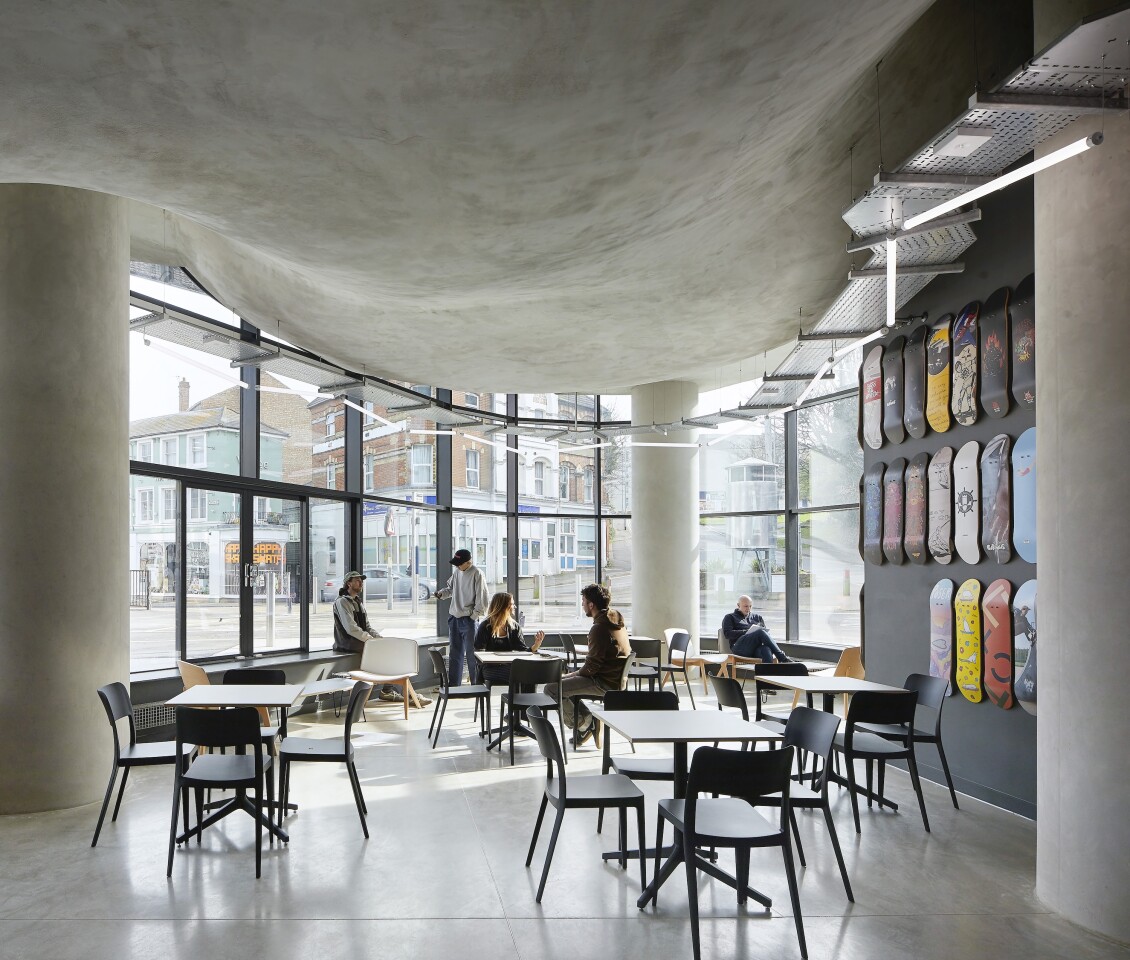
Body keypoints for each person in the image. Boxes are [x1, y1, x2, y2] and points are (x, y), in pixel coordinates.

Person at [545, 583, 631, 745]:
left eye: (584, 601)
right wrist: (574, 674)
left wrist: (572, 674)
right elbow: (595, 663)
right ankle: (587, 723)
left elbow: (591, 668)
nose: (583, 604)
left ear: (591, 605)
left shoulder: (599, 628)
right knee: (560, 683)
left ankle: (585, 723)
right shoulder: (616, 621)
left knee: (551, 688)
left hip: (603, 682)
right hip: (614, 680)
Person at [332, 570, 431, 706]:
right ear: (348, 583)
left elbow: (367, 627)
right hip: (347, 642)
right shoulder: (342, 602)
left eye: (361, 581)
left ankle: (392, 691)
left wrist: (381, 639)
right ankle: (395, 692)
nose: (361, 583)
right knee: (387, 653)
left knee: (391, 648)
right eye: (357, 580)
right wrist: (372, 641)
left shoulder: (358, 602)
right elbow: (351, 629)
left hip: (361, 641)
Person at [434, 548, 489, 686]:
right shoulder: (457, 572)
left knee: (472, 655)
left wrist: (473, 617)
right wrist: (441, 594)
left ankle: (476, 686)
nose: (457, 566)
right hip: (454, 618)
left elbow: (482, 600)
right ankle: (453, 686)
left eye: (459, 563)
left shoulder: (477, 574)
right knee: (455, 654)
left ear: (468, 562)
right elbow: (451, 589)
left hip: (468, 620)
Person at [474, 592, 545, 687]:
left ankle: (523, 701)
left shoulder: (514, 627)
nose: (514, 606)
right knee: (520, 674)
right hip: (489, 668)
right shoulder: (485, 626)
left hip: (509, 666)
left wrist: (536, 645)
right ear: (503, 607)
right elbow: (479, 653)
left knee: (528, 672)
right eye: (512, 604)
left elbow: (522, 650)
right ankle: (517, 701)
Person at [722, 595, 792, 663]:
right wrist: (746, 632)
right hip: (739, 647)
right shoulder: (730, 617)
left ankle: (767, 674)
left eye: (750, 606)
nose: (748, 608)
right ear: (738, 605)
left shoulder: (757, 617)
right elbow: (728, 634)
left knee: (766, 650)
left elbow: (765, 635)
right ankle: (782, 658)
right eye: (746, 606)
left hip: (755, 648)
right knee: (760, 632)